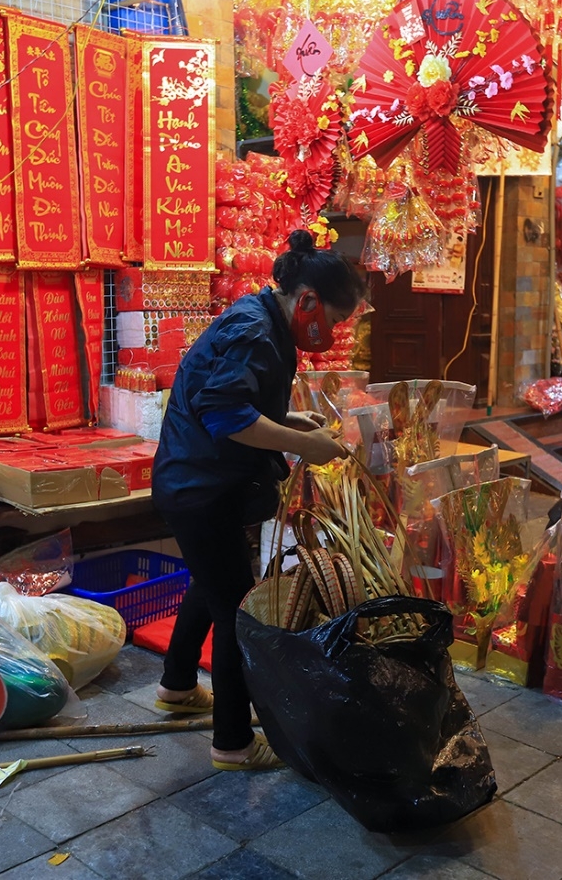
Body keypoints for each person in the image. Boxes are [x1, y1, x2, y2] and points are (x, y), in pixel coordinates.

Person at [150, 229, 367, 770]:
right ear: (308, 301)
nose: (333, 332)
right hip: (200, 487)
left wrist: (290, 419)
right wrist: (302, 445)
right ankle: (233, 744)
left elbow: (235, 404)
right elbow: (226, 418)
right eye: (335, 321)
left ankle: (176, 687)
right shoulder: (254, 331)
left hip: (203, 481)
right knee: (235, 609)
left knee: (212, 582)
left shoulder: (264, 319)